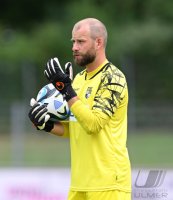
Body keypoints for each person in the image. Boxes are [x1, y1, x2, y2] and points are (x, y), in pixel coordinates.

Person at [28, 18, 131, 200]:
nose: (74, 47)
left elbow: (93, 125)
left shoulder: (114, 78)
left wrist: (66, 90)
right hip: (79, 184)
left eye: (81, 41)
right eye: (73, 41)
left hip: (108, 185)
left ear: (98, 42)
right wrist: (46, 125)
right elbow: (75, 127)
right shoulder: (78, 80)